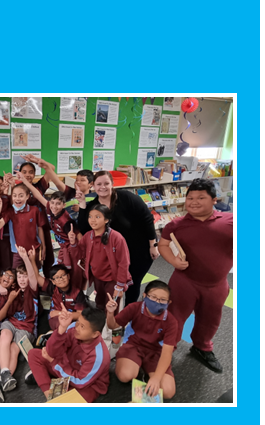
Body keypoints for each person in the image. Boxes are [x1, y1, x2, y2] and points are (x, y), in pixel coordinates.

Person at [158, 178, 232, 373]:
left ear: (214, 200)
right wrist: (173, 261)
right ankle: (167, 349)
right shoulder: (176, 224)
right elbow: (163, 245)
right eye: (190, 198)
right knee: (174, 318)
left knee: (210, 319)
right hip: (184, 281)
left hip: (216, 284)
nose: (194, 202)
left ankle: (202, 347)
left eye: (201, 197)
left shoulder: (231, 222)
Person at [78, 170, 157, 304]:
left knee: (133, 284)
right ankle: (112, 315)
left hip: (138, 250)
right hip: (113, 255)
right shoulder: (93, 205)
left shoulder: (127, 197)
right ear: (93, 186)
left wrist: (153, 245)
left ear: (112, 184)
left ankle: (128, 312)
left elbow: (147, 219)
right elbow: (85, 229)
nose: (103, 187)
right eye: (99, 184)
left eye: (106, 183)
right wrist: (82, 204)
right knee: (113, 286)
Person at [107, 280, 179, 399]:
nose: (157, 302)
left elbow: (167, 352)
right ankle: (139, 368)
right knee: (125, 376)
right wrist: (110, 313)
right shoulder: (134, 307)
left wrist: (156, 378)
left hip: (156, 353)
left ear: (168, 302)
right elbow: (113, 326)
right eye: (153, 297)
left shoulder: (171, 322)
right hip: (134, 345)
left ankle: (147, 370)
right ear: (145, 296)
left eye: (162, 300)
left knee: (168, 392)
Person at [26, 305, 110, 402]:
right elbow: (51, 352)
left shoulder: (99, 356)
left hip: (87, 385)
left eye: (82, 326)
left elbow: (80, 382)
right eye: (78, 321)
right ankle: (49, 395)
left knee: (78, 399)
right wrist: (61, 328)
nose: (77, 327)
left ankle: (50, 383)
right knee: (34, 354)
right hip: (64, 366)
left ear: (95, 334)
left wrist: (53, 362)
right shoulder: (72, 327)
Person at [67, 204, 131, 307]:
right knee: (100, 304)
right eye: (90, 216)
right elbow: (78, 254)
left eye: (97, 217)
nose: (92, 220)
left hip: (113, 280)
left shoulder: (116, 238)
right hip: (97, 277)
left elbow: (124, 263)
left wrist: (119, 286)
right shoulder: (88, 236)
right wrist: (73, 243)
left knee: (112, 307)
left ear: (106, 220)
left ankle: (111, 323)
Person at [0, 249, 38, 392]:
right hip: (11, 322)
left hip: (26, 327)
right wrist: (9, 298)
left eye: (24, 276)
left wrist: (26, 258)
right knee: (5, 336)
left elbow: (32, 277)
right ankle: (5, 373)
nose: (22, 279)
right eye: (19, 276)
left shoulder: (33, 289)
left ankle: (3, 381)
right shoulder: (13, 289)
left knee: (14, 348)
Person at [0, 181, 43, 270]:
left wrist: (43, 246)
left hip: (33, 251)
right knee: (18, 277)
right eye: (14, 195)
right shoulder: (11, 212)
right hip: (17, 252)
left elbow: (40, 228)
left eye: (21, 195)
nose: (17, 198)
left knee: (35, 277)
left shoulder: (34, 210)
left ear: (27, 196)